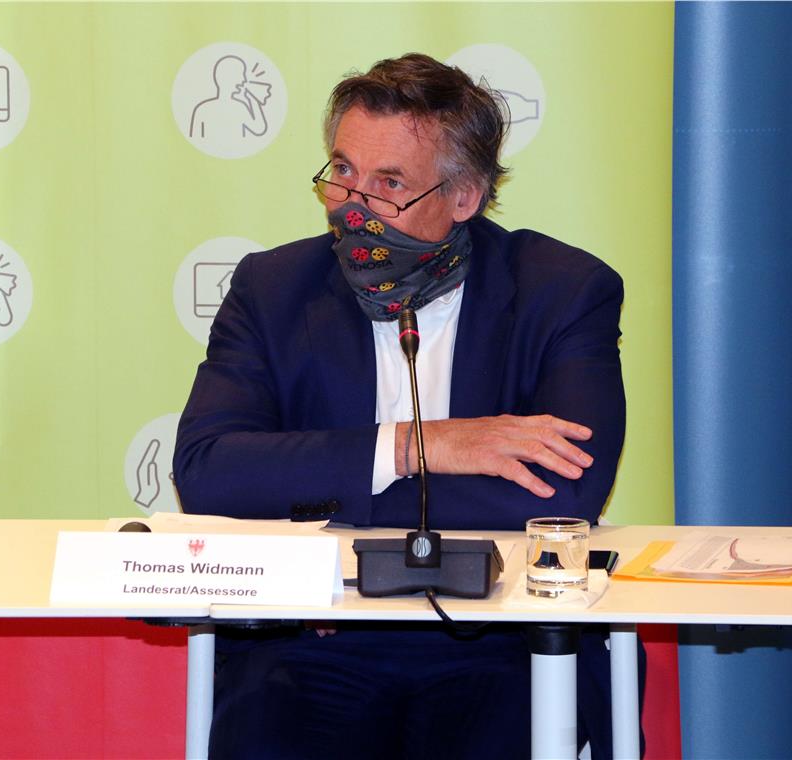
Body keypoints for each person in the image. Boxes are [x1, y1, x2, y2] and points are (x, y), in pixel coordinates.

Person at [175, 53, 633, 760]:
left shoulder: (563, 291)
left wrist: (321, 508)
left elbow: (563, 496)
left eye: (389, 184)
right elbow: (210, 472)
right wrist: (417, 447)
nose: (352, 205)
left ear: (464, 197)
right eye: (342, 171)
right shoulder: (272, 288)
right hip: (312, 636)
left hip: (500, 637)